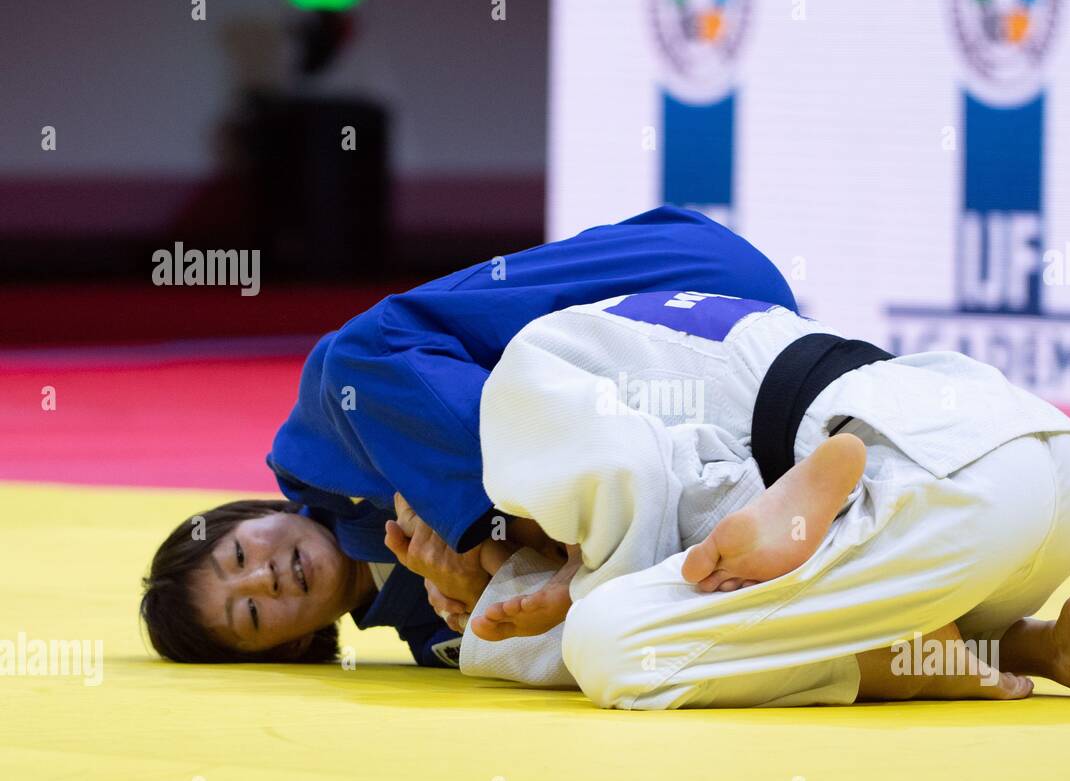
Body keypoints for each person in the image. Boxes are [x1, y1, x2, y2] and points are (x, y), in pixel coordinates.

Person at [468, 290, 1070, 710]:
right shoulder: (641, 323)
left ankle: (900, 664)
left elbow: (635, 479)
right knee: (731, 586)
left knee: (607, 642)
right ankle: (1037, 644)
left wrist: (554, 594)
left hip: (939, 495)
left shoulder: (522, 373)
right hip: (1035, 457)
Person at [139, 207, 798, 665]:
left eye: (238, 557)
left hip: (684, 282)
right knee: (568, 644)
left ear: (251, 515)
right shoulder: (440, 640)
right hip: (749, 412)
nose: (266, 578)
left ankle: (580, 539)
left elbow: (364, 360)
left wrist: (489, 541)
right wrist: (483, 593)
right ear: (290, 648)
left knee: (360, 358)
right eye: (252, 614)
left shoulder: (321, 433)